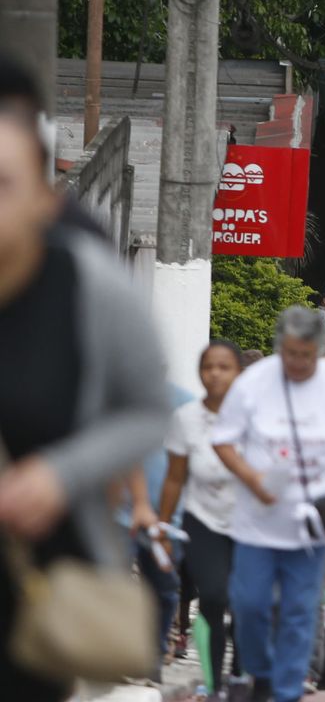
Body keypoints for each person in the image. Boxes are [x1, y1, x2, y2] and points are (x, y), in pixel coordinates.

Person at [0, 55, 171, 701]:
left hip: (38, 590)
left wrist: (61, 474)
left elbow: (147, 407)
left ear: (44, 196)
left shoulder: (87, 282)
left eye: (4, 183)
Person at [212, 306, 325, 702]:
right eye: (290, 354)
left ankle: (286, 691)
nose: (298, 363)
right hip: (257, 524)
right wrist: (252, 478)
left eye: (306, 355)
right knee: (249, 606)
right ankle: (261, 673)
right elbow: (223, 441)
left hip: (312, 529)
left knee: (299, 613)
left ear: (319, 350)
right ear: (278, 348)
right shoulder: (253, 383)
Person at [157, 340, 247, 696]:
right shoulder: (186, 418)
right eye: (208, 367)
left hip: (248, 523)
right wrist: (164, 526)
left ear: (238, 373)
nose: (215, 374)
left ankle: (239, 676)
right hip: (202, 520)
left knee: (245, 603)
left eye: (224, 367)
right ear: (199, 373)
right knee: (212, 596)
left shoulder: (254, 417)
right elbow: (174, 478)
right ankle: (214, 685)